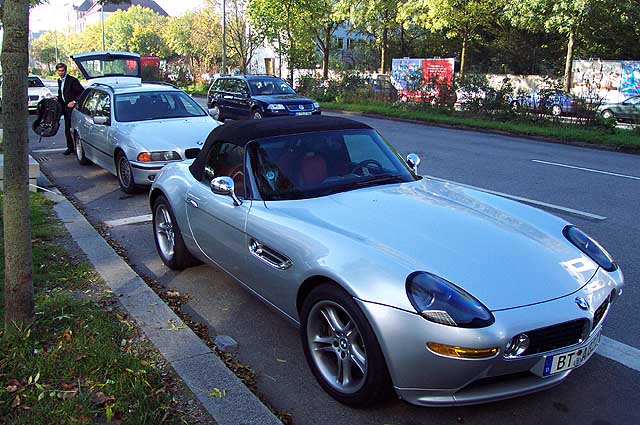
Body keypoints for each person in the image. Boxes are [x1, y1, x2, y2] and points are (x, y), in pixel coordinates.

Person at [56, 63, 84, 155]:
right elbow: (62, 94)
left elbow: (81, 92)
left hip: (73, 108)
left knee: (74, 128)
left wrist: (74, 101)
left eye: (62, 71)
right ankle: (70, 147)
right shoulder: (59, 81)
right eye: (59, 71)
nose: (61, 72)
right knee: (67, 129)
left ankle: (77, 147)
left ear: (65, 71)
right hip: (65, 108)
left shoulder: (72, 80)